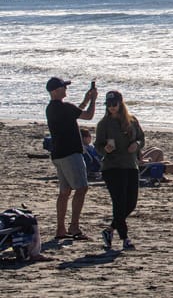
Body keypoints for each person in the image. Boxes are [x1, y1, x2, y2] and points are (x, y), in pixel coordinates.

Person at [45, 76, 98, 240]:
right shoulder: (64, 107)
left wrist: (86, 99)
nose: (65, 89)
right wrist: (93, 100)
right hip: (70, 154)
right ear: (55, 91)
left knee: (65, 192)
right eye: (63, 87)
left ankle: (61, 229)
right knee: (81, 188)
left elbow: (75, 113)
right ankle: (74, 226)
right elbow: (88, 115)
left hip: (58, 154)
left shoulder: (51, 108)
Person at [95, 90, 144, 251]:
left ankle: (110, 230)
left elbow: (141, 138)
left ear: (120, 104)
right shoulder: (104, 124)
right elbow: (98, 145)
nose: (112, 107)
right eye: (108, 105)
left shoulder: (132, 120)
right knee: (119, 202)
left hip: (130, 165)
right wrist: (105, 149)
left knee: (131, 203)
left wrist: (137, 145)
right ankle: (125, 238)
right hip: (112, 167)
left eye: (114, 104)